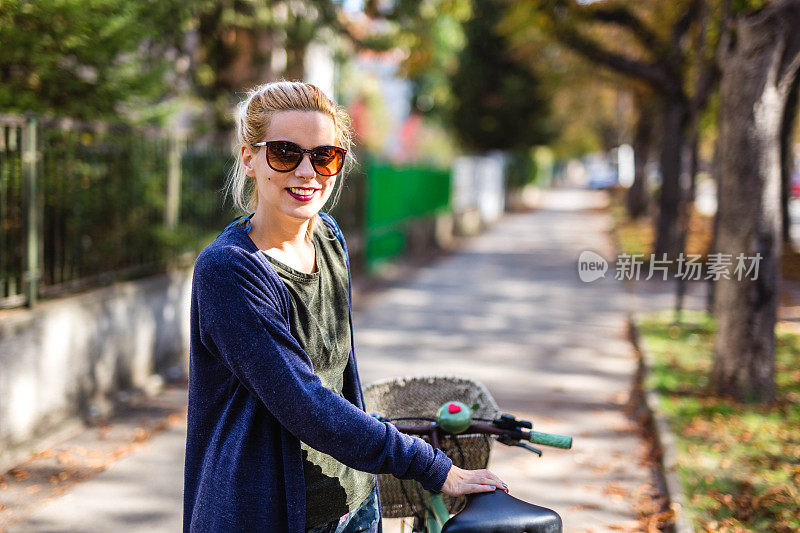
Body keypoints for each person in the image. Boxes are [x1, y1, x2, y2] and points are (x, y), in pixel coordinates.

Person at [183, 81, 507, 533]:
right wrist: (433, 466)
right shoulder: (230, 270)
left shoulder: (330, 239)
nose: (306, 172)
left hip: (355, 502)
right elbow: (307, 404)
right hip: (266, 512)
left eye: (324, 156)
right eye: (284, 153)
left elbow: (340, 376)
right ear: (248, 159)